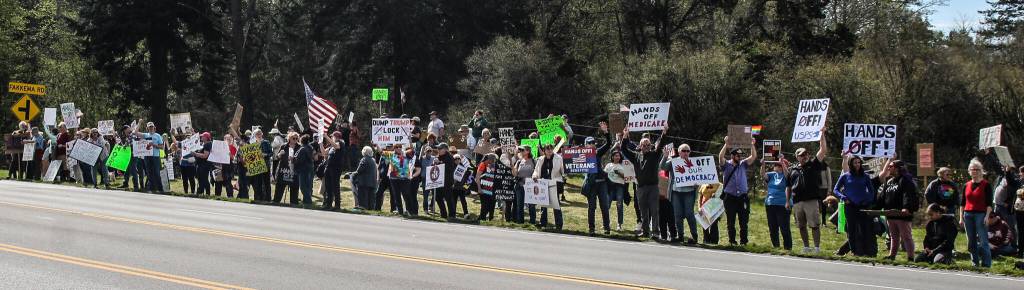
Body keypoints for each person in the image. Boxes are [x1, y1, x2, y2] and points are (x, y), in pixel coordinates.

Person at [620, 125, 668, 238]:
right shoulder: (636, 156)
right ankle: (645, 232)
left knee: (654, 210)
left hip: (653, 187)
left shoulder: (655, 155)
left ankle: (655, 232)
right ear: (640, 146)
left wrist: (664, 132)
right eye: (644, 145)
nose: (646, 146)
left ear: (650, 146)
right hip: (640, 187)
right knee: (643, 211)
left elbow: (661, 145)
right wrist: (625, 136)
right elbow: (623, 149)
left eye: (648, 145)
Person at [787, 125, 828, 254]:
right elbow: (788, 186)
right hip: (797, 201)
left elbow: (823, 150)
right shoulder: (793, 169)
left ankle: (817, 248)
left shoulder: (814, 164)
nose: (804, 156)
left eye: (805, 154)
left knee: (814, 225)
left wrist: (822, 134)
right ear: (797, 157)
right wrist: (787, 201)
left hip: (811, 200)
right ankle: (806, 247)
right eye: (801, 155)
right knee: (801, 226)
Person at [833, 155, 877, 256]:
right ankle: (854, 251)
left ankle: (866, 251)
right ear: (850, 164)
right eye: (855, 163)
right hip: (850, 206)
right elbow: (836, 190)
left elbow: (871, 191)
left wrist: (868, 200)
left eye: (859, 162)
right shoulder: (845, 176)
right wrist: (844, 198)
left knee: (864, 229)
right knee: (851, 229)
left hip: (863, 206)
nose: (857, 165)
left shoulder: (865, 176)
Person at [875, 159, 918, 261]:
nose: (888, 168)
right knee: (893, 236)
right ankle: (892, 255)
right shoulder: (889, 181)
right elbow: (882, 197)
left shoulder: (906, 180)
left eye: (891, 166)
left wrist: (906, 207)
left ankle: (911, 257)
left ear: (898, 168)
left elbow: (908, 195)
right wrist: (875, 209)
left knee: (906, 236)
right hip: (890, 214)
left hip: (902, 214)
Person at [718, 136, 758, 245]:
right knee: (731, 221)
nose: (739, 157)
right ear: (732, 156)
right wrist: (726, 144)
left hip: (743, 197)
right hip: (730, 197)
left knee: (744, 221)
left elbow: (753, 156)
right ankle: (732, 241)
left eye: (740, 156)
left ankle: (743, 241)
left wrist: (752, 144)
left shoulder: (743, 164)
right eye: (737, 155)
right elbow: (720, 157)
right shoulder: (726, 165)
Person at [661, 144, 699, 244]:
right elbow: (663, 167)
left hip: (689, 192)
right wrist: (665, 156)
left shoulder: (695, 163)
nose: (686, 153)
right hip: (676, 192)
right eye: (683, 151)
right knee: (677, 215)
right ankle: (680, 236)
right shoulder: (673, 161)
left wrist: (697, 183)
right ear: (679, 152)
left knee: (689, 214)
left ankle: (694, 236)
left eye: (688, 151)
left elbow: (699, 177)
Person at [962, 159, 993, 267]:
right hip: (967, 214)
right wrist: (961, 218)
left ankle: (986, 264)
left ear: (981, 171)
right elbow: (962, 203)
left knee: (983, 240)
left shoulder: (986, 185)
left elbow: (989, 204)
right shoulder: (966, 185)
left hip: (981, 214)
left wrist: (987, 216)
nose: (974, 171)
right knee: (971, 241)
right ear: (969, 171)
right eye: (972, 169)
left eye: (977, 169)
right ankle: (974, 262)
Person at [583, 122, 613, 235]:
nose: (592, 144)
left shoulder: (598, 152)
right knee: (592, 207)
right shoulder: (581, 155)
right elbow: (569, 162)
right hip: (591, 184)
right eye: (589, 143)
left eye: (593, 143)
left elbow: (608, 144)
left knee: (604, 206)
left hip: (602, 183)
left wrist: (606, 132)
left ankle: (606, 227)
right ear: (585, 145)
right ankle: (591, 228)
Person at [761, 155, 793, 250]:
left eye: (778, 165)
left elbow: (787, 175)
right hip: (770, 204)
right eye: (776, 165)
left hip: (783, 204)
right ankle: (776, 246)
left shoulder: (788, 175)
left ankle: (787, 248)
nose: (776, 166)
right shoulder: (772, 174)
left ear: (783, 166)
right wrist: (763, 165)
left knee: (784, 227)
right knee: (772, 227)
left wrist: (782, 162)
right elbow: (763, 175)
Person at [532, 144, 565, 230]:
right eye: (547, 149)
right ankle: (543, 222)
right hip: (543, 183)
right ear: (544, 150)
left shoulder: (559, 158)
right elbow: (536, 170)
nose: (549, 150)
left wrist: (565, 174)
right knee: (543, 204)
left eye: (551, 148)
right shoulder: (541, 159)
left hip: (554, 183)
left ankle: (559, 224)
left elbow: (563, 170)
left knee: (556, 204)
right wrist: (535, 176)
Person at [606, 150, 634, 232]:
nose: (617, 157)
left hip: (619, 186)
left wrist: (619, 173)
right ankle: (606, 223)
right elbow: (605, 175)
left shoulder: (623, 166)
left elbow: (628, 178)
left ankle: (619, 224)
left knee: (619, 205)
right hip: (610, 187)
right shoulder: (608, 165)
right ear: (612, 157)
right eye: (616, 156)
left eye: (618, 156)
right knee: (607, 205)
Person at [994, 165, 1020, 248]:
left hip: (1005, 207)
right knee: (997, 225)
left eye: (1004, 167)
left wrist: (1008, 202)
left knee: (1010, 226)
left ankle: (1014, 245)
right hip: (997, 205)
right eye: (1002, 167)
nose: (1002, 168)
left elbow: (1013, 187)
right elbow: (996, 166)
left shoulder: (1014, 178)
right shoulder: (1001, 176)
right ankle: (999, 243)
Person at [136, 122, 164, 193]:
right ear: (147, 128)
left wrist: (154, 145)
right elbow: (135, 133)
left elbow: (162, 147)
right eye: (149, 127)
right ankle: (152, 189)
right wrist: (139, 123)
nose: (151, 128)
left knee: (157, 173)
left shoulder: (157, 135)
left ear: (154, 127)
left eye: (152, 127)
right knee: (149, 173)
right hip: (147, 156)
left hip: (155, 156)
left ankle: (160, 189)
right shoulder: (145, 135)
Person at [273, 132, 300, 204]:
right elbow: (277, 157)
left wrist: (294, 159)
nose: (295, 140)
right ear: (289, 138)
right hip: (283, 169)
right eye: (293, 138)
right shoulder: (284, 146)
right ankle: (276, 202)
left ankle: (294, 203)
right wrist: (280, 154)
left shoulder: (299, 147)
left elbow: (301, 159)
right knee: (280, 186)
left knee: (294, 188)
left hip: (294, 170)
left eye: (296, 138)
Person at [387, 145, 414, 215]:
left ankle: (410, 211)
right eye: (396, 147)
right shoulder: (391, 155)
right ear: (394, 148)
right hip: (394, 178)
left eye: (400, 147)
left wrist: (410, 141)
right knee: (396, 195)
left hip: (405, 178)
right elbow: (381, 152)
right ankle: (400, 211)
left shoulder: (406, 154)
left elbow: (412, 150)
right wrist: (376, 144)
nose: (398, 148)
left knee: (406, 194)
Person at [322, 132, 345, 210]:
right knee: (328, 186)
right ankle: (328, 204)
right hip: (329, 167)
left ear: (336, 137)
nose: (331, 138)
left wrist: (326, 136)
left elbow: (336, 146)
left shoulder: (341, 143)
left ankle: (337, 205)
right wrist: (320, 143)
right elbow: (324, 153)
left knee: (335, 186)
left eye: (332, 137)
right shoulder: (331, 147)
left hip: (336, 168)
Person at [512, 146, 534, 224]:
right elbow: (515, 174)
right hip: (520, 185)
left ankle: (532, 221)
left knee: (531, 205)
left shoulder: (533, 161)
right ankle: (520, 221)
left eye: (522, 150)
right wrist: (512, 166)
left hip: (530, 186)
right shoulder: (519, 161)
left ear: (528, 151)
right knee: (519, 204)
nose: (520, 151)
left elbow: (537, 172)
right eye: (520, 150)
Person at [435, 143, 457, 219]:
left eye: (440, 148)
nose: (438, 150)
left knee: (449, 199)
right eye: (438, 148)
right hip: (439, 182)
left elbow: (449, 168)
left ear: (445, 149)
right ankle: (443, 214)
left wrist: (439, 162)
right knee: (438, 197)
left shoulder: (450, 157)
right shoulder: (438, 157)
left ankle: (452, 215)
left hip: (447, 182)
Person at [352, 146, 378, 210]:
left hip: (364, 182)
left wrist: (352, 174)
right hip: (372, 182)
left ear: (364, 152)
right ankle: (370, 209)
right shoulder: (373, 160)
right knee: (370, 197)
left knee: (363, 196)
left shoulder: (364, 159)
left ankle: (363, 207)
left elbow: (359, 170)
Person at [293, 135, 316, 205]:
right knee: (308, 186)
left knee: (303, 186)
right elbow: (314, 157)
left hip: (303, 169)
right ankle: (306, 201)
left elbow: (299, 160)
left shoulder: (302, 149)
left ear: (301, 141)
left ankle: (308, 201)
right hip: (310, 168)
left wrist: (293, 160)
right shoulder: (310, 147)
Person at [476, 153, 498, 220]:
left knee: (491, 205)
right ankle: (482, 219)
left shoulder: (492, 165)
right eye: (493, 160)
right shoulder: (483, 164)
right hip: (483, 189)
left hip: (491, 189)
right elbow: (477, 177)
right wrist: (479, 188)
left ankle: (488, 218)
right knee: (484, 206)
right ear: (489, 159)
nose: (494, 162)